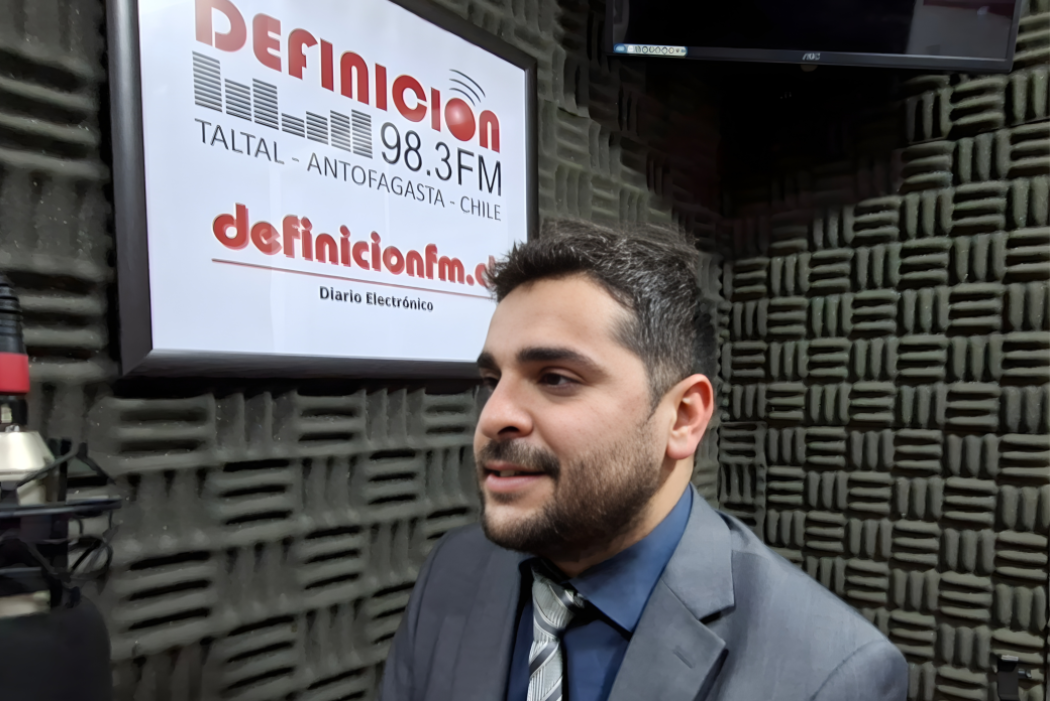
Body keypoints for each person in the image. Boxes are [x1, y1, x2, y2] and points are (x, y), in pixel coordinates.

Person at [378, 224, 908, 701]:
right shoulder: (453, 568)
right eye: (492, 381)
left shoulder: (830, 673)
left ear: (683, 418)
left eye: (556, 378)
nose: (493, 417)